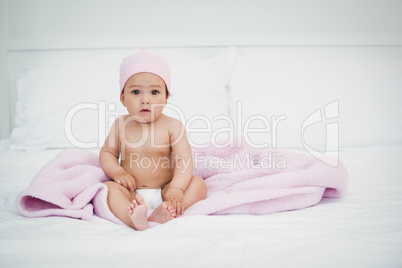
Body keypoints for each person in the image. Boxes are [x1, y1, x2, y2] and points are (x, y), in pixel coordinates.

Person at [99, 49, 207, 231]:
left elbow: (184, 160)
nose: (145, 100)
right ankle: (133, 218)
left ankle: (163, 211)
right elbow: (107, 153)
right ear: (123, 98)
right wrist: (117, 172)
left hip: (166, 190)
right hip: (131, 193)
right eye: (136, 92)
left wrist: (177, 189)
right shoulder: (120, 125)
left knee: (199, 185)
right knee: (107, 190)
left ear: (166, 98)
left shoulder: (173, 126)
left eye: (155, 92)